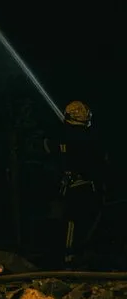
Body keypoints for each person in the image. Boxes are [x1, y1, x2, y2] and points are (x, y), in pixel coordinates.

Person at [43, 100, 107, 265]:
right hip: (81, 186)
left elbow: (50, 153)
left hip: (68, 186)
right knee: (74, 221)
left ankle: (69, 256)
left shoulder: (59, 137)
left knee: (70, 221)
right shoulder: (87, 138)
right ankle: (70, 257)